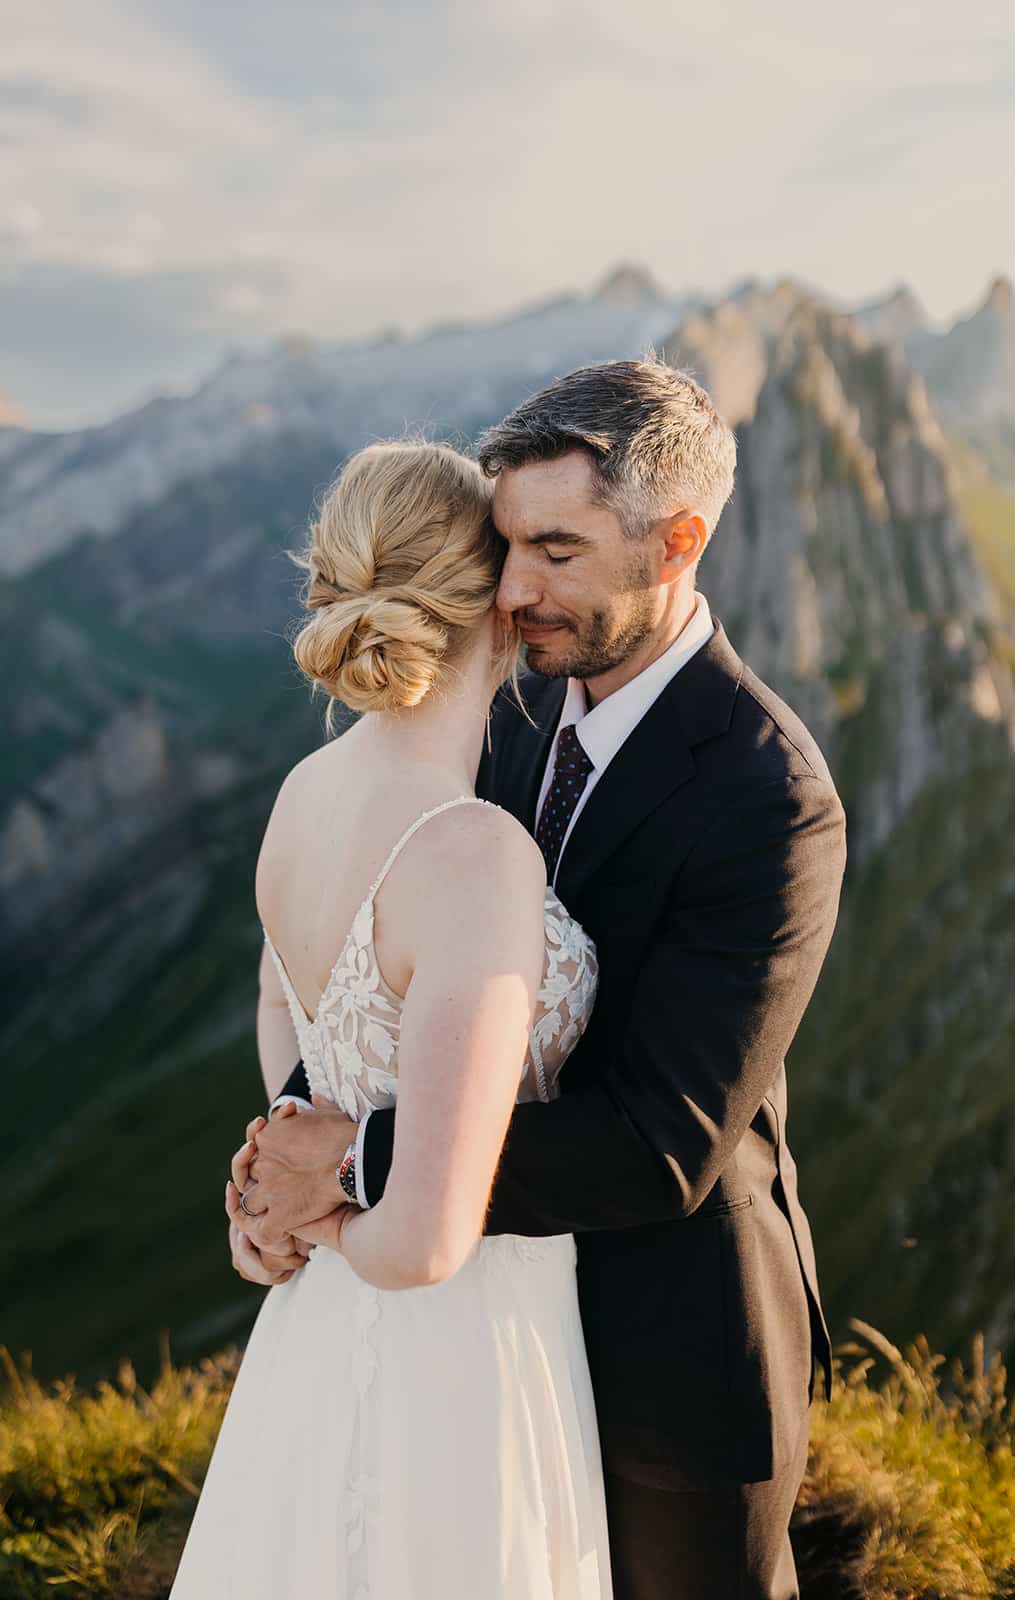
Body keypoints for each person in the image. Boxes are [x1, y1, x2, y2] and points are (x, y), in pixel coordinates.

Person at [234, 358, 848, 1599]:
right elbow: (386, 964)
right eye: (505, 544)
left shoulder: (766, 795)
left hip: (673, 1354)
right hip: (482, 1334)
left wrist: (353, 1162)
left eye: (556, 550)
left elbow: (666, 1140)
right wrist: (287, 1147)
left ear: (675, 542)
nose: (511, 592)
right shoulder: (500, 708)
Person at [170, 439, 612, 1598]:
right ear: (499, 607)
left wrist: (290, 1154)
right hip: (461, 1362)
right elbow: (422, 1244)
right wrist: (317, 1212)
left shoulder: (303, 796)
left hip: (311, 1346)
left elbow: (285, 1002)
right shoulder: (471, 851)